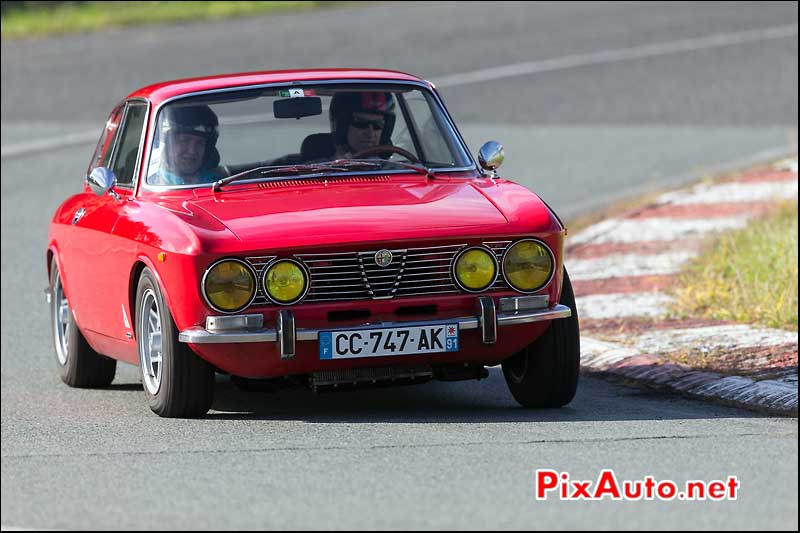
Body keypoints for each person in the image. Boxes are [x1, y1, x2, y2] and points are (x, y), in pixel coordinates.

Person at [150, 105, 221, 185]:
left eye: (199, 143)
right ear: (167, 145)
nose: (192, 151)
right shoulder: (153, 184)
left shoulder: (219, 184)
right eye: (184, 141)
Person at [328, 92, 396, 159]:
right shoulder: (323, 166)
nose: (370, 134)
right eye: (361, 123)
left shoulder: (394, 166)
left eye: (378, 124)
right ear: (342, 127)